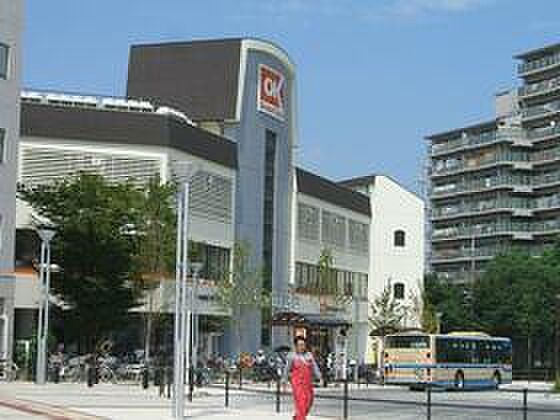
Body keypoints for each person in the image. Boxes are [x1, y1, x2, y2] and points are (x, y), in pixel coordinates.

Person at [285, 336, 322, 420]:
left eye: (303, 345)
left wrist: (320, 377)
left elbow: (314, 367)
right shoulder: (291, 356)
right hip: (297, 383)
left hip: (308, 383)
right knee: (301, 402)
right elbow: (286, 369)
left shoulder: (309, 355)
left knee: (309, 401)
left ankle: (297, 417)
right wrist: (284, 381)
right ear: (296, 346)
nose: (302, 347)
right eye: (300, 345)